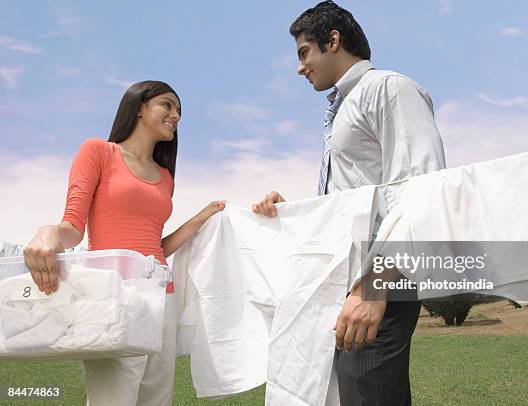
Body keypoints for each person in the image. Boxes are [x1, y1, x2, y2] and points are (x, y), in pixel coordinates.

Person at [252, 2, 445, 405]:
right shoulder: (342, 109)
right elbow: (355, 197)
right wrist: (295, 212)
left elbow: (420, 188)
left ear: (333, 40)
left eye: (304, 52)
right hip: (345, 279)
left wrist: (374, 289)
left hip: (378, 278)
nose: (300, 67)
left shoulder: (387, 88)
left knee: (367, 395)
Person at [24, 80, 225, 406]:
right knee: (113, 399)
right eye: (167, 105)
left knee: (157, 400)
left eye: (179, 111)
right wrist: (47, 233)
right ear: (140, 106)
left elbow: (152, 248)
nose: (176, 115)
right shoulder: (99, 152)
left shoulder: (164, 176)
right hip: (112, 293)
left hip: (162, 297)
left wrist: (201, 218)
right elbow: (72, 227)